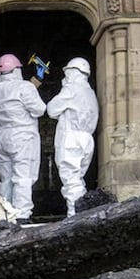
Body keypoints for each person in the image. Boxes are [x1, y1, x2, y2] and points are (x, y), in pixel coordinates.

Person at [0, 53, 46, 221]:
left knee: (6, 178)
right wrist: (34, 85)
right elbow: (39, 109)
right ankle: (22, 215)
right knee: (22, 177)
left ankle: (6, 214)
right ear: (16, 69)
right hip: (21, 136)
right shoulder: (25, 87)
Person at [46, 57, 98, 217]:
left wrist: (64, 90)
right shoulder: (90, 93)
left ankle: (75, 216)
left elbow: (52, 109)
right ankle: (82, 211)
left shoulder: (71, 89)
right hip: (87, 139)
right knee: (78, 179)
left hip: (71, 139)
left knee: (71, 180)